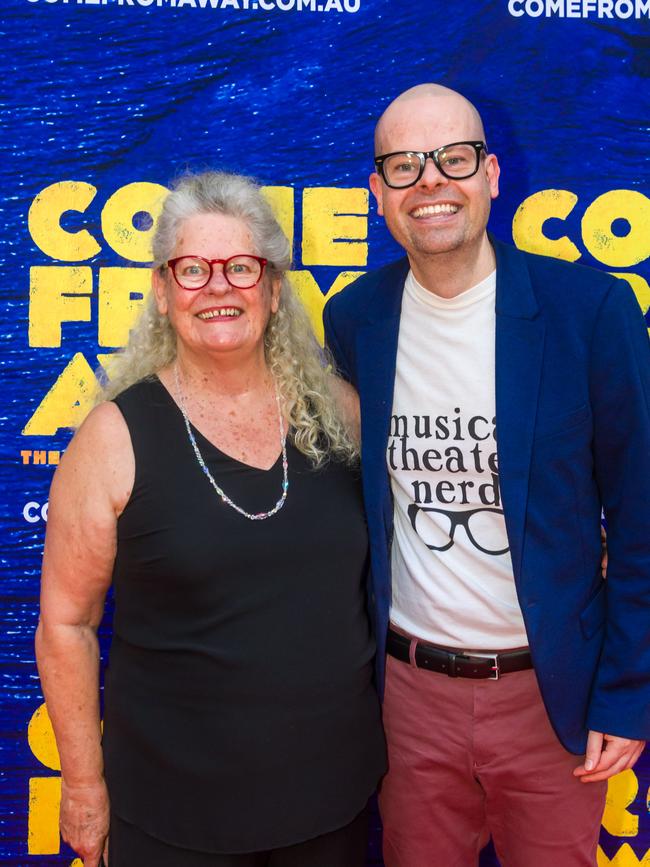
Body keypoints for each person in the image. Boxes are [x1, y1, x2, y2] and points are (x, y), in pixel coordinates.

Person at [323, 83, 650, 866]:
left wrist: (627, 691)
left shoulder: (591, 310)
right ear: (378, 194)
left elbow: (641, 512)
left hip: (553, 699)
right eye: (404, 166)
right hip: (407, 699)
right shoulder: (354, 319)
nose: (430, 181)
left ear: (493, 174)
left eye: (454, 159)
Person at [35, 171, 386, 867]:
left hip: (332, 801)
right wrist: (81, 785)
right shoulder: (113, 437)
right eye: (193, 269)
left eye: (242, 267)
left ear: (274, 288)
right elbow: (65, 623)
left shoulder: (341, 414)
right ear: (162, 293)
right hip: (173, 815)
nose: (219, 286)